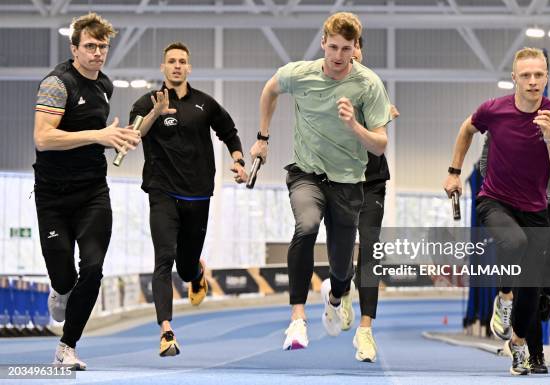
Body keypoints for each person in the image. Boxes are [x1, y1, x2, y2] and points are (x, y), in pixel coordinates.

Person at [249, 12, 391, 351]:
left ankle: (336, 295)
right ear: (323, 43)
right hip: (307, 173)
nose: (338, 56)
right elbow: (270, 90)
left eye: (346, 48)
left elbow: (381, 143)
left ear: (356, 47)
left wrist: (354, 126)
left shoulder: (368, 84)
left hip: (347, 183)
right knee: (307, 225)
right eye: (333, 47)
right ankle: (297, 319)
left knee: (342, 270)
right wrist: (262, 136)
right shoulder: (299, 73)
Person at [443, 47, 550, 375]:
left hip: (536, 209)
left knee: (532, 286)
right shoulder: (494, 111)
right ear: (514, 78)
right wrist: (455, 172)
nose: (532, 81)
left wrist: (548, 140)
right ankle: (503, 296)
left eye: (538, 75)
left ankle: (518, 344)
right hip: (494, 200)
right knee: (515, 244)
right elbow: (467, 129)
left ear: (547, 77)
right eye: (525, 75)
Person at [33, 12, 140, 370]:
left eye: (103, 46)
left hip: (93, 192)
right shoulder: (57, 84)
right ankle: (60, 288)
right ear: (74, 48)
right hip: (52, 195)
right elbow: (43, 138)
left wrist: (117, 140)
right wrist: (99, 136)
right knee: (65, 277)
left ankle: (67, 347)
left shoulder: (105, 86)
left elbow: (96, 136)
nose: (97, 53)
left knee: (93, 268)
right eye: (90, 46)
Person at [130, 42, 247, 357]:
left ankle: (196, 271)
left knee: (184, 268)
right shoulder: (146, 102)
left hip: (197, 195)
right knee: (164, 259)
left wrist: (238, 159)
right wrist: (156, 112)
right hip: (161, 191)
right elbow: (135, 134)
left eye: (182, 61)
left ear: (189, 68)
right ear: (163, 68)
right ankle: (166, 331)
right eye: (171, 61)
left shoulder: (204, 104)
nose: (177, 66)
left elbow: (229, 130)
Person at [320, 36, 399, 363]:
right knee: (341, 251)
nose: (349, 56)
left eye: (354, 50)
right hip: (339, 180)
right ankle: (339, 290)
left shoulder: (372, 86)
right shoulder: (328, 86)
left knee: (370, 246)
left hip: (372, 181)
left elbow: (378, 136)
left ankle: (365, 331)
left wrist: (381, 118)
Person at [480, 134, 550, 373]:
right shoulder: (502, 124)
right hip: (521, 210)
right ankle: (535, 355)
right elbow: (484, 168)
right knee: (531, 284)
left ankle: (532, 307)